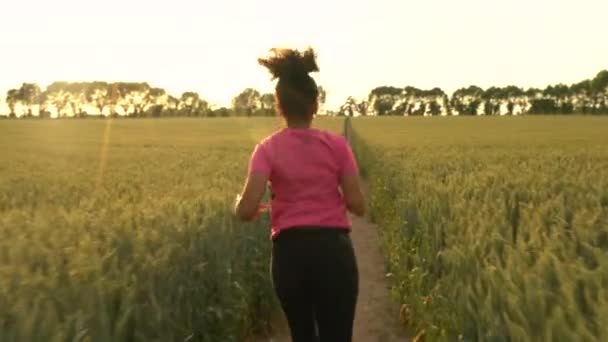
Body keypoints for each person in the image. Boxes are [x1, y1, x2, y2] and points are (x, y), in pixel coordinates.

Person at [233, 47, 366, 342]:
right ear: (315, 104)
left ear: (279, 106)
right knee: (338, 335)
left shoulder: (267, 149)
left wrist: (242, 205)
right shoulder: (337, 146)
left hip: (290, 255)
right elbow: (358, 205)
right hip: (334, 253)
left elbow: (246, 209)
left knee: (302, 335)